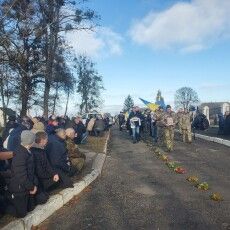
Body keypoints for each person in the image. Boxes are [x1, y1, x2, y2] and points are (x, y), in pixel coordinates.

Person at [7, 130, 48, 218]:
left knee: (39, 201)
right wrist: (31, 187)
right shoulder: (20, 155)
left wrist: (34, 184)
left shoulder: (28, 151)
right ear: (31, 141)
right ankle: (7, 201)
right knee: (22, 213)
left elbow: (31, 172)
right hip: (19, 187)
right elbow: (21, 176)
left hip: (28, 184)